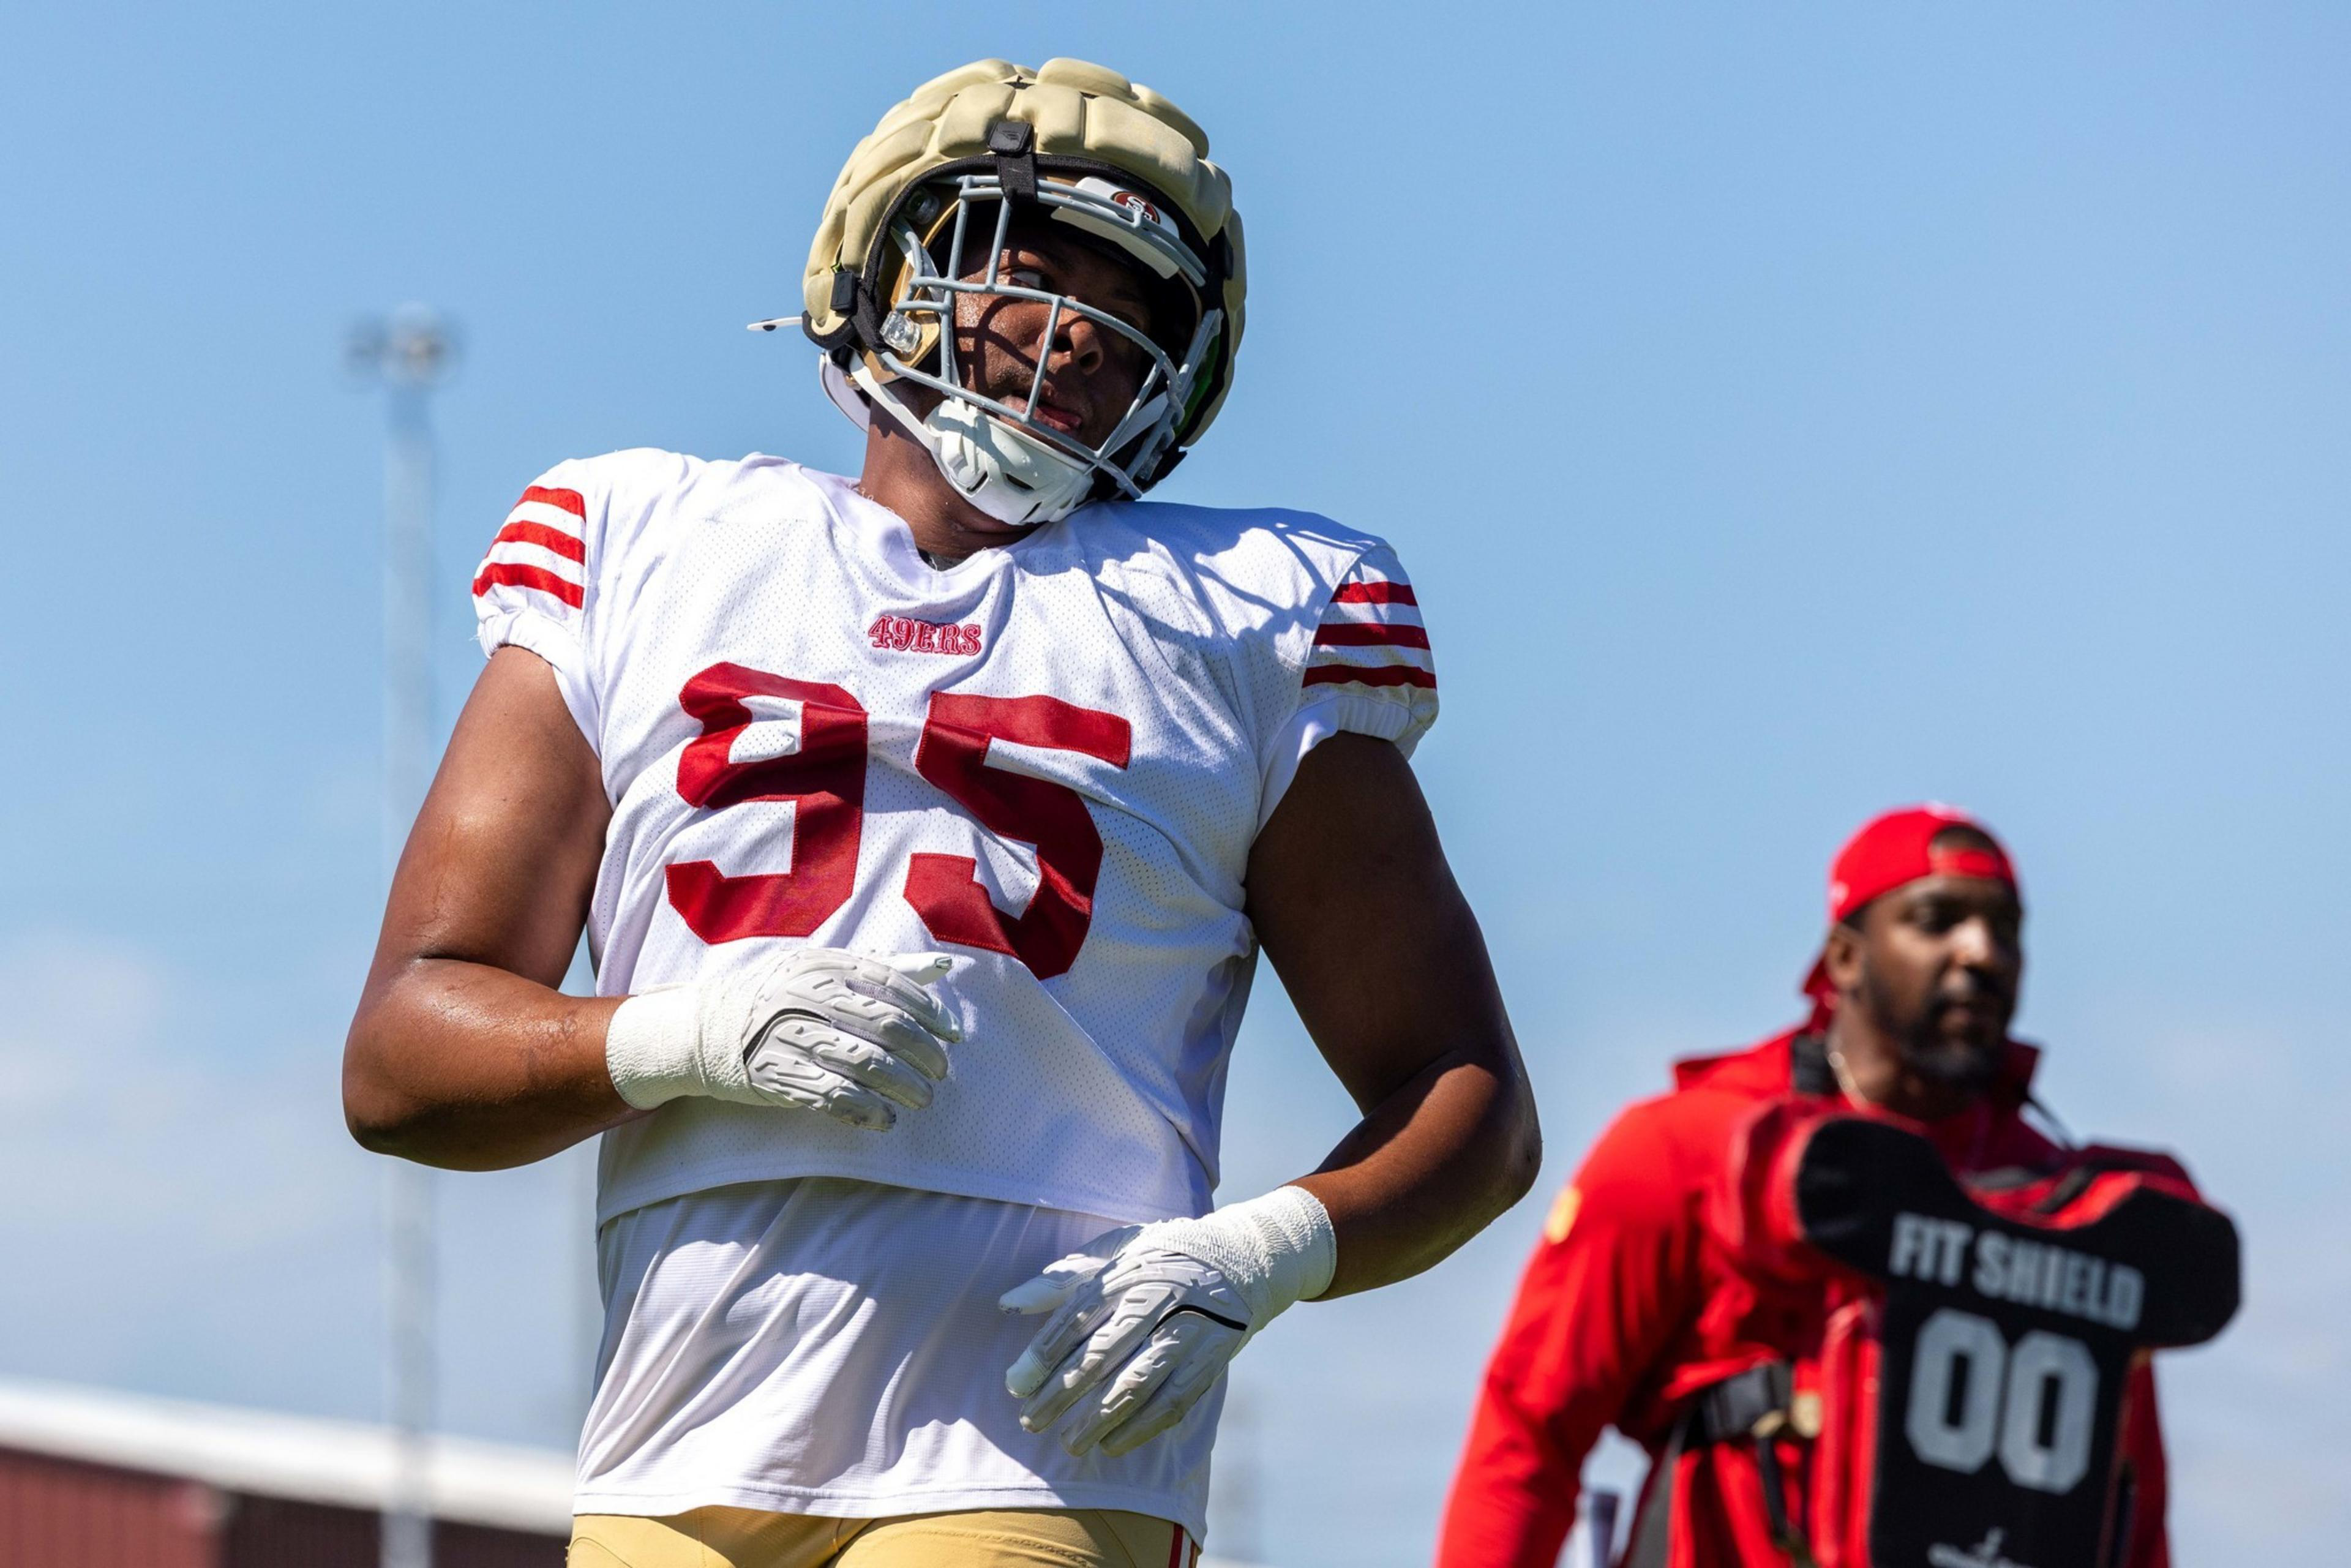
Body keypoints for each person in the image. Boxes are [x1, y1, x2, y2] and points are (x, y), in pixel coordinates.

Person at [341, 57, 1540, 1568]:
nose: (1079, 336)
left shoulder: (1251, 611)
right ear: (889, 271)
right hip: (674, 1438)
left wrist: (1267, 1249)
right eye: (1031, 269)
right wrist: (679, 1035)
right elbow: (403, 1054)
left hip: (1038, 1428)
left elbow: (1468, 1097)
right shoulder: (638, 539)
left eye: (1136, 309)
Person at [1438, 805, 2230, 1568]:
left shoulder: (2068, 1210)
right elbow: (1530, 1432)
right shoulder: (1690, 1149)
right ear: (1846, 957)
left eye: (2005, 929)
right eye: (1938, 919)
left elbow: (2134, 1514)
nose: (1981, 953)